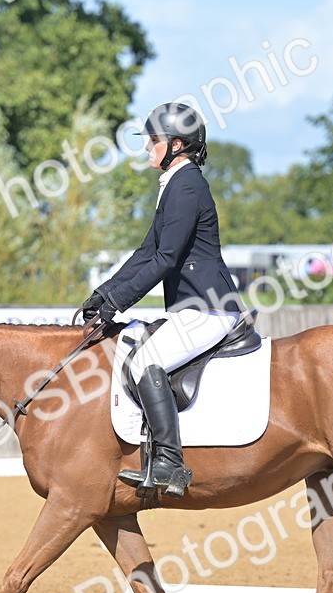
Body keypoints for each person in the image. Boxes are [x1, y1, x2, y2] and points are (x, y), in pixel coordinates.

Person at [80, 102, 243, 497]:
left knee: (147, 360)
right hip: (193, 307)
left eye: (154, 140)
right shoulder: (175, 183)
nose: (148, 147)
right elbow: (145, 252)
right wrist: (103, 294)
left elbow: (166, 258)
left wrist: (118, 303)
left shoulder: (187, 185)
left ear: (178, 144)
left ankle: (170, 463)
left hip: (209, 307)